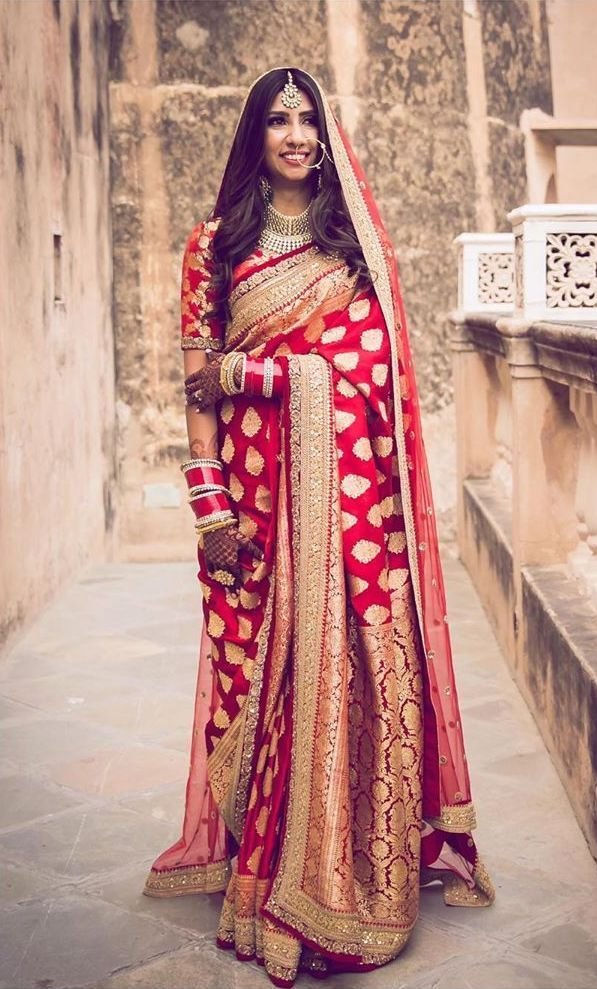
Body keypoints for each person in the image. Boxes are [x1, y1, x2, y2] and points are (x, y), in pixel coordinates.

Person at [143, 67, 494, 987]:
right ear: (255, 134)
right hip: (254, 506)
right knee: (264, 672)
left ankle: (348, 866)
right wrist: (209, 508)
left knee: (358, 669)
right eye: (278, 120)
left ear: (324, 134)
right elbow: (194, 388)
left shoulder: (354, 246)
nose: (295, 135)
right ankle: (272, 863)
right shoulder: (213, 247)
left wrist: (252, 374)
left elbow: (369, 368)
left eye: (308, 120)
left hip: (351, 508)